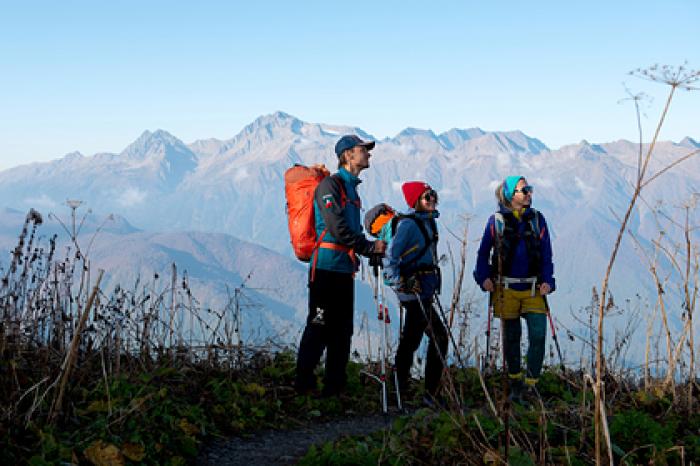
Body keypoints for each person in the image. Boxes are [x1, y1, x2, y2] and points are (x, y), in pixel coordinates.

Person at [295, 135, 386, 397]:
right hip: (325, 269)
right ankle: (304, 384)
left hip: (343, 268)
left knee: (342, 330)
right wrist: (368, 247)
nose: (368, 154)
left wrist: (367, 249)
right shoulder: (330, 186)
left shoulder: (351, 189)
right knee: (319, 324)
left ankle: (334, 387)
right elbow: (337, 227)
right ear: (347, 155)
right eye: (363, 150)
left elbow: (348, 231)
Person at [473, 176, 555, 402]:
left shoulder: (538, 220)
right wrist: (483, 278)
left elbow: (546, 253)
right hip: (504, 287)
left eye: (530, 189)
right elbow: (483, 254)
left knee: (538, 335)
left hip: (534, 288)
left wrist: (548, 280)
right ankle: (515, 382)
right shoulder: (496, 221)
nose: (529, 194)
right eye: (524, 190)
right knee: (512, 337)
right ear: (511, 195)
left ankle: (531, 384)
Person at [384, 181, 447, 405]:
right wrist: (399, 282)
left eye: (433, 195)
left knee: (413, 338)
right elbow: (391, 255)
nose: (431, 199)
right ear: (415, 201)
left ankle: (400, 390)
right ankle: (425, 393)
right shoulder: (410, 225)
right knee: (436, 336)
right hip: (414, 291)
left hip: (424, 289)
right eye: (426, 197)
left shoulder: (428, 222)